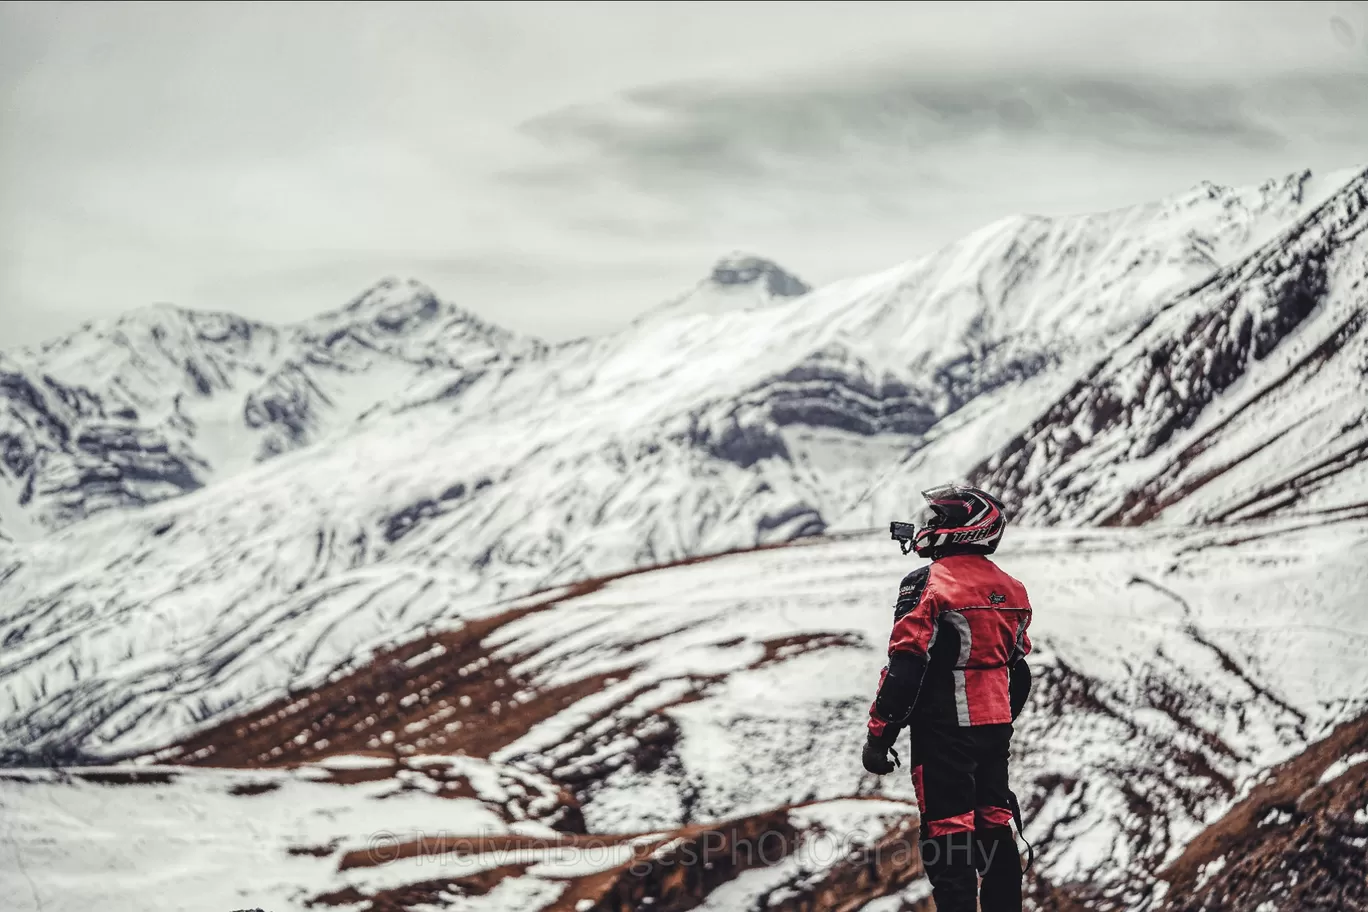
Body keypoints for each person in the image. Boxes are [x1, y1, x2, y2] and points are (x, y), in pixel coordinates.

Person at [862, 483, 1034, 912]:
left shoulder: (927, 583)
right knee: (995, 823)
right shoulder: (1013, 590)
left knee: (947, 832)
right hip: (994, 729)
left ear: (962, 529)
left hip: (943, 731)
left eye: (939, 519)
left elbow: (905, 669)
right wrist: (1000, 720)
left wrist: (878, 738)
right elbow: (1020, 671)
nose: (930, 526)